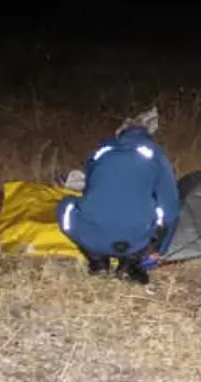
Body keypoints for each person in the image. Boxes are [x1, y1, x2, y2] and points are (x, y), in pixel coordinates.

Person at [56, 118, 180, 285]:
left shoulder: (102, 149)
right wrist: (160, 249)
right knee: (156, 208)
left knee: (66, 204)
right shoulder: (155, 154)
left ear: (120, 134)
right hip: (136, 239)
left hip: (93, 235)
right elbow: (170, 209)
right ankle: (130, 263)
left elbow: (92, 189)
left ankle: (97, 260)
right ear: (148, 136)